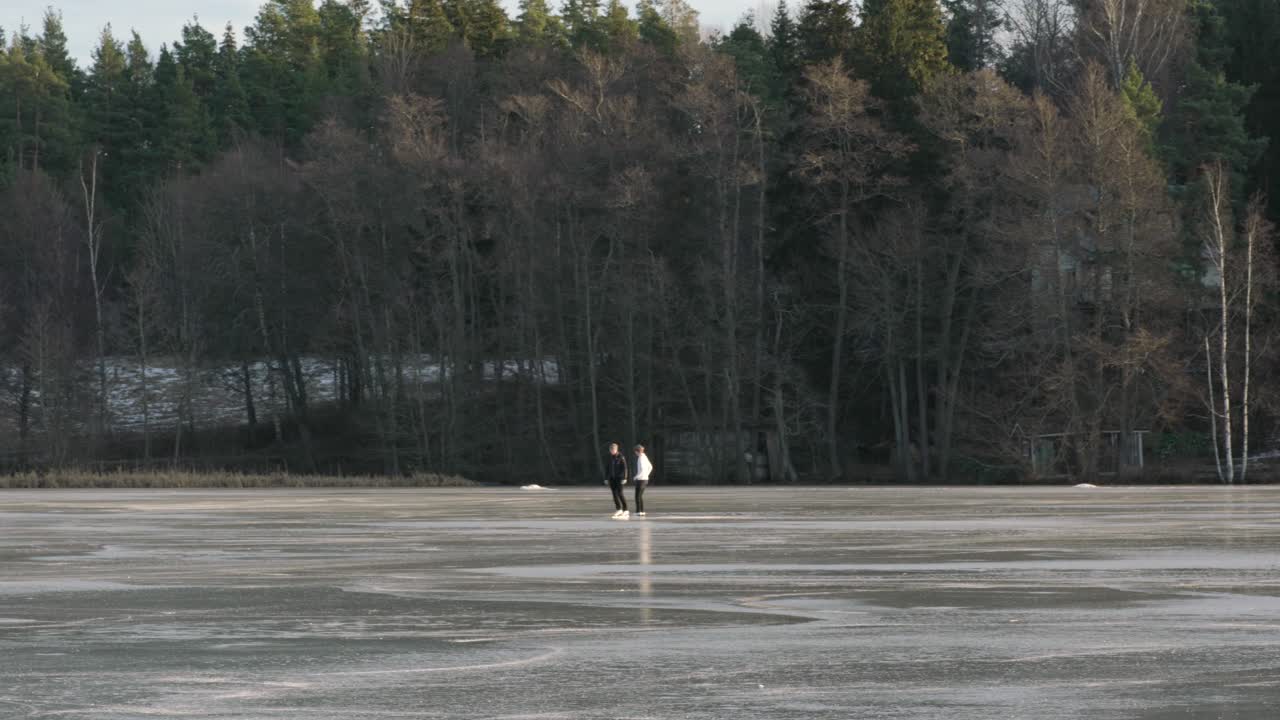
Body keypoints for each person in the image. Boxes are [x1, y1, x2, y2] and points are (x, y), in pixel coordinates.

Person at [604, 442, 629, 519]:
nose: (611, 451)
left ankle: (626, 510)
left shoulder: (621, 457)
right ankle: (619, 509)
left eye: (613, 450)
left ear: (616, 449)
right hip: (612, 478)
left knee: (620, 493)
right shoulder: (609, 457)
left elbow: (625, 468)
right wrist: (606, 478)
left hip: (619, 478)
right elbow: (607, 468)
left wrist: (624, 478)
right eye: (610, 450)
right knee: (614, 494)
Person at [632, 444, 653, 517]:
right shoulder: (645, 457)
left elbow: (642, 470)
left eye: (635, 452)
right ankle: (642, 511)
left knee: (637, 496)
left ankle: (638, 511)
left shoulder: (640, 458)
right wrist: (647, 475)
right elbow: (650, 467)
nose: (635, 453)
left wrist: (636, 477)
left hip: (640, 480)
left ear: (637, 451)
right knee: (640, 496)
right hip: (645, 479)